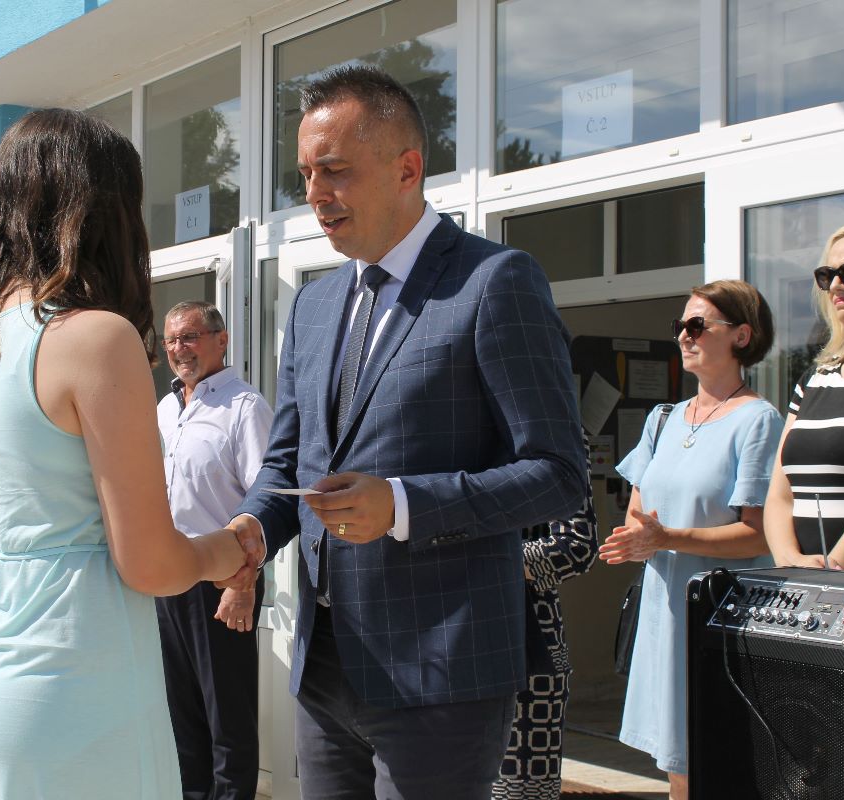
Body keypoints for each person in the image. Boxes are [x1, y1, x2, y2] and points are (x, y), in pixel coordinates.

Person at [223, 65, 588, 800]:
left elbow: (557, 473)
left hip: (440, 669)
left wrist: (401, 504)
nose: (315, 193)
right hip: (324, 666)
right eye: (306, 174)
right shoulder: (314, 306)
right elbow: (288, 462)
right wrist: (251, 531)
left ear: (407, 169)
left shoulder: (495, 281)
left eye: (334, 170)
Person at [0, 108, 254, 800]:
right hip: (73, 692)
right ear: (104, 215)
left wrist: (27, 554)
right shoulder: (97, 338)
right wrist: (226, 550)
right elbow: (149, 564)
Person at [598, 280, 783, 800]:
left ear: (742, 335)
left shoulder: (758, 420)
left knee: (713, 764)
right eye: (680, 325)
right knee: (677, 768)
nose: (684, 335)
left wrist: (667, 537)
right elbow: (638, 516)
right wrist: (636, 540)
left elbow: (756, 535)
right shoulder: (664, 419)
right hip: (664, 612)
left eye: (698, 325)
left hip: (718, 618)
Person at [155, 300, 273, 800]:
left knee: (227, 718)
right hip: (168, 576)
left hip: (223, 582)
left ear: (221, 341)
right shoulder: (164, 410)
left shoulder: (244, 407)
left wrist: (244, 584)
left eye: (190, 337)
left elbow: (265, 501)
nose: (179, 349)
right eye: (171, 340)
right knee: (180, 715)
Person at [493, 442, 598, 800]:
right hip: (427, 647)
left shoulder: (550, 426)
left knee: (519, 792)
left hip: (526, 643)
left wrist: (475, 559)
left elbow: (576, 545)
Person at [766, 220, 844, 569]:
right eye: (827, 275)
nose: (836, 284)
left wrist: (832, 571)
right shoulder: (813, 381)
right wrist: (788, 560)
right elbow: (779, 495)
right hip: (810, 589)